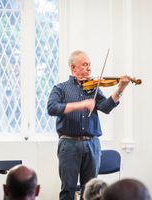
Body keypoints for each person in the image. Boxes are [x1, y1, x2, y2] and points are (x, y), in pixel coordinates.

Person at [47, 50, 131, 200]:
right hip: (69, 144)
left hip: (92, 144)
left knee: (92, 190)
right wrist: (80, 105)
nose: (89, 68)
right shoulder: (60, 89)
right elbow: (52, 108)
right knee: (68, 189)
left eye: (89, 65)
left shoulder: (93, 88)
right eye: (85, 65)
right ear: (73, 68)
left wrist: (120, 89)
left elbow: (106, 107)